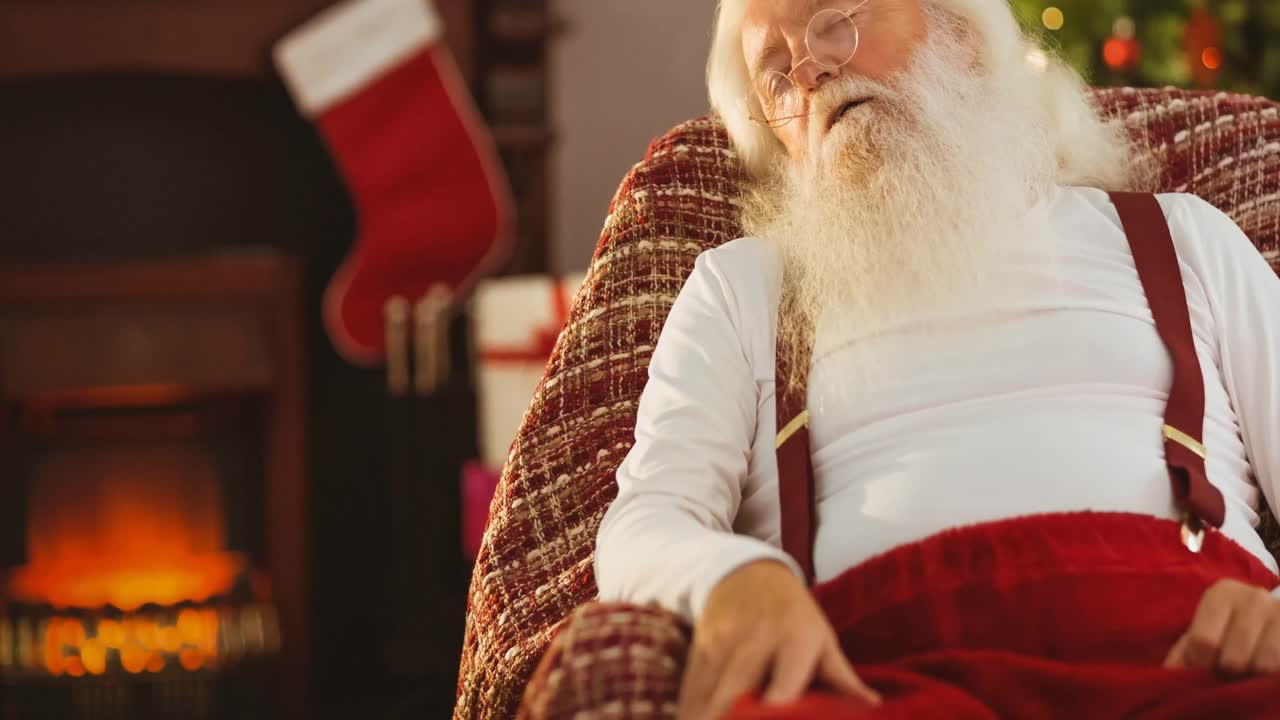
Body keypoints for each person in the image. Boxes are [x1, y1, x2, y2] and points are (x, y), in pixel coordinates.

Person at [592, 0, 1280, 718]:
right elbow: (646, 521)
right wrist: (734, 579)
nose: (812, 69)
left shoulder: (1181, 240)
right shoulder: (742, 288)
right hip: (875, 682)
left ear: (965, 34)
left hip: (1201, 663)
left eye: (835, 20)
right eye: (776, 77)